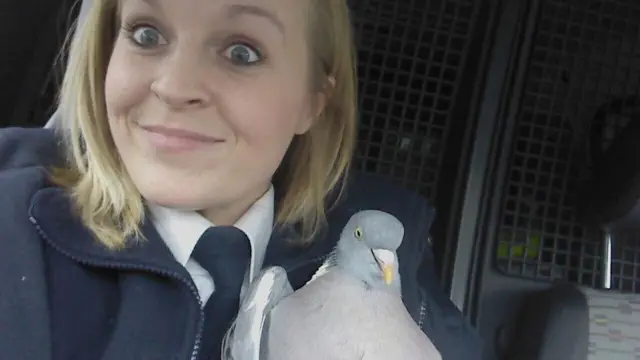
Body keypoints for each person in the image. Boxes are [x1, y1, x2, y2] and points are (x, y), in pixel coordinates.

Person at [0, 0, 484, 359]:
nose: (173, 87)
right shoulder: (15, 226)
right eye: (146, 35)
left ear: (312, 100)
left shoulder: (395, 248)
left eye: (241, 52)